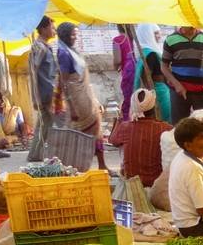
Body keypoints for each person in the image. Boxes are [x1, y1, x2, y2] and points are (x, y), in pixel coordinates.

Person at [54, 22, 107, 170]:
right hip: (77, 99)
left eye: (76, 35)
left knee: (95, 129)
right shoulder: (63, 53)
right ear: (64, 36)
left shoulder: (72, 51)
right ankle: (81, 166)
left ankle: (100, 165)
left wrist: (94, 99)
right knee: (87, 131)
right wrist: (71, 106)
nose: (75, 37)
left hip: (85, 95)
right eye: (72, 35)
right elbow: (64, 82)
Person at [108, 86, 171, 185]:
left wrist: (119, 119)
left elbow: (112, 140)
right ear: (153, 106)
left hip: (132, 185)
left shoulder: (125, 127)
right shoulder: (166, 128)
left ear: (133, 107)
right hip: (156, 184)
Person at [161, 24, 203, 115]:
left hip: (202, 91)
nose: (191, 26)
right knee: (180, 125)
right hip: (179, 92)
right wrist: (176, 84)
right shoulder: (170, 40)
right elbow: (163, 66)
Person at [25, 17, 57, 162]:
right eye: (52, 27)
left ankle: (36, 154)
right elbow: (34, 72)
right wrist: (39, 98)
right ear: (43, 29)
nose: (54, 30)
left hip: (48, 93)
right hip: (45, 94)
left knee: (45, 124)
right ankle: (35, 154)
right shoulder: (39, 47)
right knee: (46, 124)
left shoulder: (45, 46)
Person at [111, 29, 137, 120]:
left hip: (128, 71)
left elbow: (117, 60)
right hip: (137, 69)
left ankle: (127, 123)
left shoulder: (117, 40)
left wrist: (115, 66)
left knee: (128, 99)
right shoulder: (133, 38)